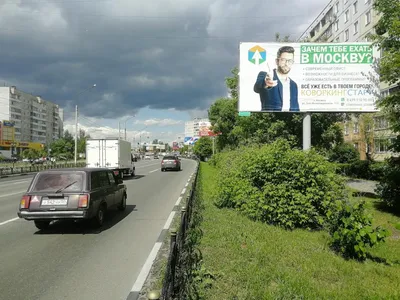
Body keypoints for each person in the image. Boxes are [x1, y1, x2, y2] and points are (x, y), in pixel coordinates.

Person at [253, 46, 300, 111]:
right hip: (270, 119)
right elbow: (257, 88)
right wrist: (266, 83)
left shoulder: (293, 85)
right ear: (277, 61)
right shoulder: (264, 75)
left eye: (290, 61)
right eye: (283, 60)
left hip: (289, 119)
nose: (286, 64)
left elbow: (296, 107)